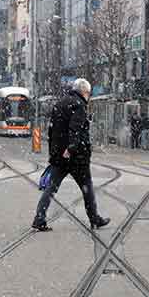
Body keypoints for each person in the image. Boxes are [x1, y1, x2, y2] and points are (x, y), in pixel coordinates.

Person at [31, 78, 110, 232]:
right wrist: (72, 148)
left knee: (50, 188)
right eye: (88, 93)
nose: (88, 97)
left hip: (59, 156)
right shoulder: (79, 105)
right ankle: (94, 219)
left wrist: (54, 153)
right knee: (87, 188)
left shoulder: (60, 103)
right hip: (76, 157)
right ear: (84, 92)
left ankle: (39, 218)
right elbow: (75, 129)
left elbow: (52, 130)